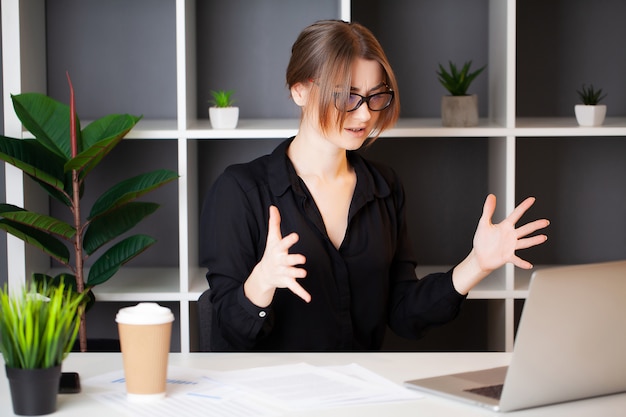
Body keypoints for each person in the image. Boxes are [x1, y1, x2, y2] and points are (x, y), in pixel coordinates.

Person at [199, 20, 549, 351]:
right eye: (347, 96)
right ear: (300, 90)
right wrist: (261, 282)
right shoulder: (241, 191)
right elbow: (228, 334)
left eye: (375, 96)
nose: (366, 115)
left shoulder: (384, 187)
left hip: (363, 393)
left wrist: (478, 264)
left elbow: (403, 313)